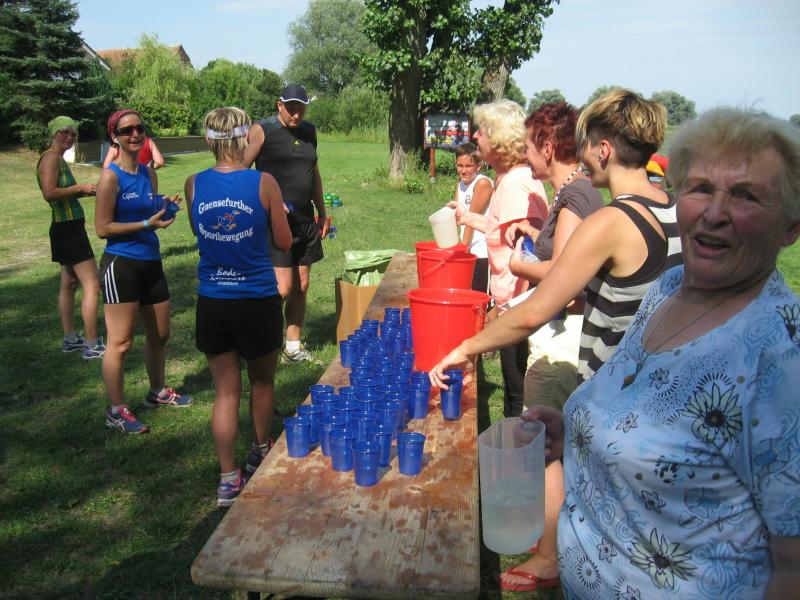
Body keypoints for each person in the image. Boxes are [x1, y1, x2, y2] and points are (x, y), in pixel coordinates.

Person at [522, 106, 800, 598]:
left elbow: (794, 567)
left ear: (791, 227)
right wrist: (579, 432)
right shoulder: (669, 289)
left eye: (746, 195)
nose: (715, 212)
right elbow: (652, 420)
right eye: (700, 188)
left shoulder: (781, 357)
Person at [432, 88, 681, 592]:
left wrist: (464, 348)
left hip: (617, 394)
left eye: (586, 143)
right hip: (663, 391)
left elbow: (536, 310)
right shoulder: (675, 209)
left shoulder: (613, 220)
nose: (581, 153)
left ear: (604, 149)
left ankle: (562, 564)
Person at [497, 102, 604, 591]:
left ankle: (548, 557)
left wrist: (521, 266)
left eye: (529, 145)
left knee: (545, 447)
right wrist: (531, 234)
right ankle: (554, 543)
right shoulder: (576, 192)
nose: (526, 155)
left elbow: (565, 275)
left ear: (546, 145)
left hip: (561, 342)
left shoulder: (575, 193)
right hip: (563, 337)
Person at [186, 107, 292, 507]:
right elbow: (283, 242)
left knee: (226, 393)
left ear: (208, 140)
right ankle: (260, 449)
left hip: (213, 300)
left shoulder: (194, 183)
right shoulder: (264, 182)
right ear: (246, 138)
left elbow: (199, 231)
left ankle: (228, 479)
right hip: (256, 299)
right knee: (262, 382)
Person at [95, 109, 192, 435]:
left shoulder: (148, 173)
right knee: (121, 342)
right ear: (115, 137)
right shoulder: (110, 177)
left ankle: (157, 391)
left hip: (150, 260)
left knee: (160, 334)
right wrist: (146, 223)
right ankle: (116, 410)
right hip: (121, 264)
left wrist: (164, 209)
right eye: (126, 131)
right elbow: (102, 228)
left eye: (139, 128)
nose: (135, 134)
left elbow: (148, 210)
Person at [452, 99, 548, 418]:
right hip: (514, 305)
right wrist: (467, 216)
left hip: (520, 307)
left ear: (499, 139)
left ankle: (517, 441)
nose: (475, 136)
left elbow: (530, 250)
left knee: (517, 389)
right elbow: (502, 230)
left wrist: (510, 311)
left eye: (482, 131)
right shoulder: (510, 178)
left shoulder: (516, 183)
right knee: (513, 383)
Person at [243, 84, 328, 365]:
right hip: (274, 223)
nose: (296, 113)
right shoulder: (262, 130)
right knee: (282, 288)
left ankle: (292, 347)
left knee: (301, 284)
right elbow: (242, 171)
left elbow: (314, 172)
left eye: (300, 108)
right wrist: (265, 202)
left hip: (304, 219)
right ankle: (262, 343)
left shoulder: (309, 131)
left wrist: (322, 210)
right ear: (279, 104)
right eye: (290, 108)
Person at [36, 116, 105, 359]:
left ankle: (71, 339)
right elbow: (49, 192)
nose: (69, 137)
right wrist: (79, 188)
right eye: (64, 132)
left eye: (73, 134)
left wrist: (85, 191)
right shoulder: (51, 158)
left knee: (69, 284)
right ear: (53, 134)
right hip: (69, 229)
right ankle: (92, 344)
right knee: (92, 285)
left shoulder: (56, 158)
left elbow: (61, 192)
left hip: (63, 227)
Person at [453, 142, 493, 293]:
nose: (463, 171)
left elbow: (470, 219)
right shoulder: (460, 184)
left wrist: (462, 248)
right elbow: (457, 216)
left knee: (480, 296)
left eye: (468, 166)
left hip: (482, 252)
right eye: (460, 165)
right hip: (468, 249)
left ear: (479, 166)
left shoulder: (482, 183)